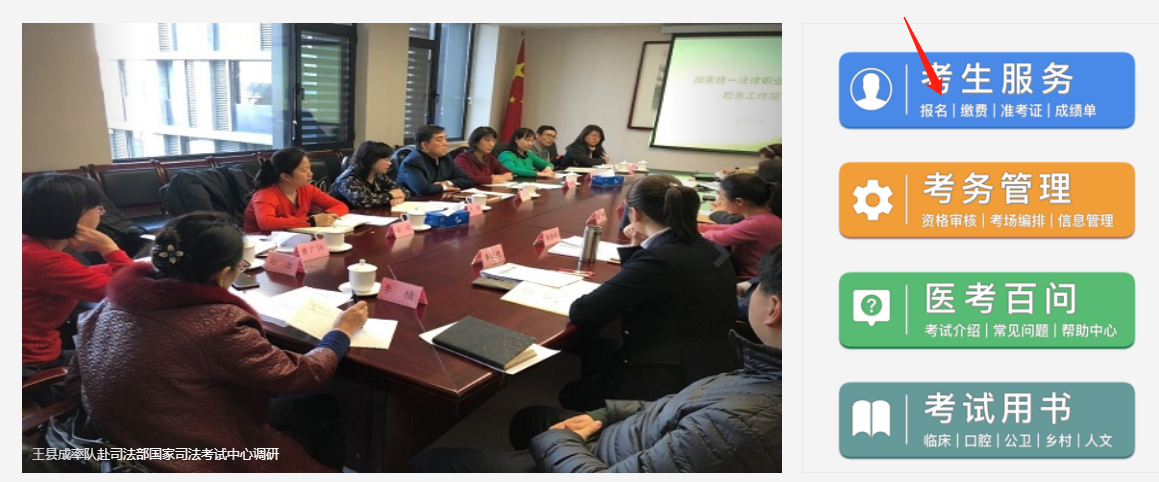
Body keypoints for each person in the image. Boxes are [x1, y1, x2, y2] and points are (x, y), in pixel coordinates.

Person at [410, 245, 783, 473]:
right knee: (530, 417)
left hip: (606, 460)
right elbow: (681, 405)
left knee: (428, 463)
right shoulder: (770, 369)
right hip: (630, 439)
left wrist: (560, 441)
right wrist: (605, 414)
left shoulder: (739, 425)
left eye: (757, 287)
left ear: (773, 310)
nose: (748, 294)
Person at [67, 212, 369, 472]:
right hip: (194, 454)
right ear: (225, 273)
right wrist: (340, 332)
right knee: (320, 407)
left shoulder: (111, 302)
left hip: (118, 439)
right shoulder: (217, 325)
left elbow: (76, 376)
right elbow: (302, 375)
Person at [560, 174, 739, 411]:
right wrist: (637, 245)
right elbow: (642, 282)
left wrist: (638, 251)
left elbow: (585, 312)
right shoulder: (713, 248)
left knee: (571, 394)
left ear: (635, 213)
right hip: (712, 361)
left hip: (668, 377)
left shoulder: (660, 260)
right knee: (597, 351)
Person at [22, 174, 136, 389]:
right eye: (97, 208)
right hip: (34, 365)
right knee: (129, 366)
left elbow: (76, 274)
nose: (101, 213)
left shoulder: (29, 246)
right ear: (71, 216)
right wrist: (109, 249)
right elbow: (129, 291)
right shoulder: (47, 262)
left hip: (35, 352)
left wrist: (115, 264)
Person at [243, 148, 349, 233]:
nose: (311, 174)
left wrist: (325, 217)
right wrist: (311, 221)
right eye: (304, 170)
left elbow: (340, 206)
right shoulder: (265, 194)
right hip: (263, 245)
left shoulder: (306, 189)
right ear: (285, 176)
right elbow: (266, 223)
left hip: (294, 239)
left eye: (309, 168)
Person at [699, 173, 782, 278]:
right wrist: (700, 227)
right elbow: (734, 228)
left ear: (739, 201)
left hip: (752, 278)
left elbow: (716, 238)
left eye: (722, 199)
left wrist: (696, 231)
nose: (721, 203)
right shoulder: (764, 217)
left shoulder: (756, 224)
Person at [330, 140, 410, 209]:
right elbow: (363, 202)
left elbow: (403, 190)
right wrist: (391, 195)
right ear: (371, 160)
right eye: (385, 159)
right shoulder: (348, 179)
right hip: (344, 217)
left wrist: (400, 197)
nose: (389, 163)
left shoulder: (378, 175)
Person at [397, 124, 473, 195]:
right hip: (414, 202)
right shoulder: (412, 162)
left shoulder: (445, 158)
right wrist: (444, 187)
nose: (445, 143)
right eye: (439, 140)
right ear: (425, 145)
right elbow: (422, 189)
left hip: (439, 200)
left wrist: (447, 183)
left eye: (445, 139)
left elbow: (467, 180)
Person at [710, 158, 783, 224]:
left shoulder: (773, 204)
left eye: (757, 172)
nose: (754, 175)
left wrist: (718, 212)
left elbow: (736, 220)